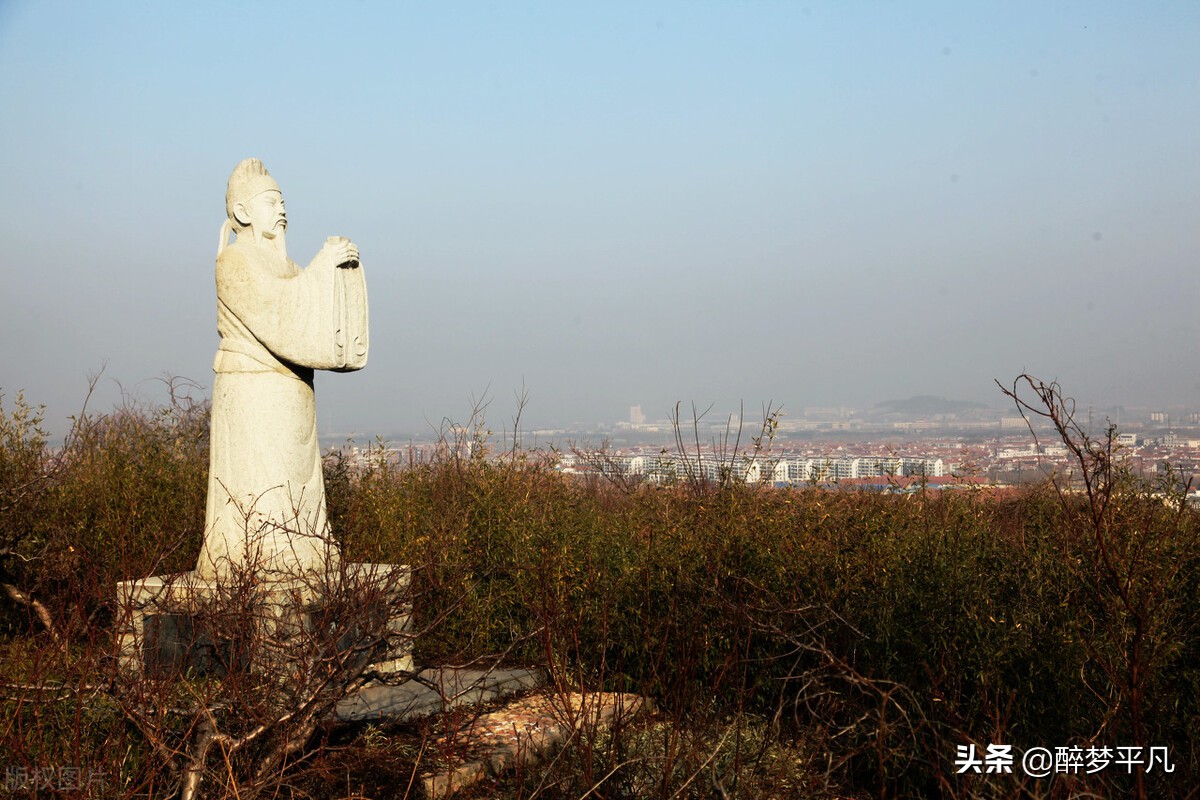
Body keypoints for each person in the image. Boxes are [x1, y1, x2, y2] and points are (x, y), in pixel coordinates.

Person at [194, 158, 368, 581]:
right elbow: (280, 311)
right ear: (242, 212)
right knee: (262, 487)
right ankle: (259, 558)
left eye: (283, 200)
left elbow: (305, 312)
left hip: (293, 395)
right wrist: (323, 265)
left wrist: (338, 271)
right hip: (253, 394)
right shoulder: (233, 263)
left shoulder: (289, 269)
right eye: (271, 200)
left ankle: (303, 548)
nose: (281, 208)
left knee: (296, 485)